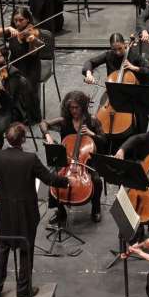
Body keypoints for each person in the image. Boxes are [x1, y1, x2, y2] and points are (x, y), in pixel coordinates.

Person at [0, 123, 70, 297]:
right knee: (26, 248)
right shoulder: (30, 159)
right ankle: (23, 290)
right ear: (23, 139)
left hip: (4, 210)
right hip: (26, 212)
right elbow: (49, 179)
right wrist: (67, 181)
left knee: (2, 248)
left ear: (7, 138)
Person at [40, 91, 105, 224]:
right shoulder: (64, 121)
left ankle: (96, 209)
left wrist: (92, 134)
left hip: (87, 161)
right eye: (71, 108)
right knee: (53, 177)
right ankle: (61, 212)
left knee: (97, 180)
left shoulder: (92, 121)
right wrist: (47, 135)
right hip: (67, 160)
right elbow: (43, 124)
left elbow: (104, 141)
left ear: (83, 107)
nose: (74, 111)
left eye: (76, 107)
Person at [83, 32, 149, 136]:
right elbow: (90, 62)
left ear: (125, 44)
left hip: (130, 94)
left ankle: (138, 139)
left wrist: (135, 68)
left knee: (142, 117)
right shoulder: (109, 55)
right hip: (112, 93)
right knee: (98, 118)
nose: (117, 52)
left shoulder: (133, 56)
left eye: (120, 48)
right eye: (114, 49)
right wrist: (89, 73)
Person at [0, 7, 44, 123]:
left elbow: (33, 54)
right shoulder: (12, 31)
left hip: (31, 66)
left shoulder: (33, 32)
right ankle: (10, 111)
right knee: (2, 80)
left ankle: (27, 116)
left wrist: (32, 42)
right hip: (15, 64)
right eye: (15, 20)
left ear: (27, 20)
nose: (18, 23)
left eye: (21, 20)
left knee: (24, 84)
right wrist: (9, 28)